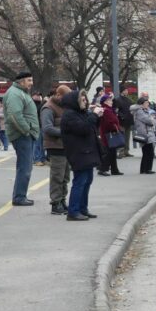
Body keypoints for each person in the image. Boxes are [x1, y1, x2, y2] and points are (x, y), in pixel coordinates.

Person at [60, 90, 103, 221]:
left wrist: (97, 116)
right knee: (80, 181)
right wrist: (94, 116)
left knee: (87, 181)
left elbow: (91, 127)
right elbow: (83, 129)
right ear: (75, 101)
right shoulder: (69, 115)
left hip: (86, 151)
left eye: (85, 99)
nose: (85, 102)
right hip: (78, 152)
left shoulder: (80, 113)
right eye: (82, 100)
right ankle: (73, 211)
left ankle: (83, 208)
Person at [3, 71, 40, 206]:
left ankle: (20, 195)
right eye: (29, 80)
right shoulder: (15, 94)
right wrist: (27, 131)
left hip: (25, 135)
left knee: (25, 167)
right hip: (22, 135)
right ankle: (19, 197)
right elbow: (14, 115)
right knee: (25, 167)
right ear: (21, 81)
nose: (31, 83)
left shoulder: (20, 92)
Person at [40, 85, 72, 215]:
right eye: (65, 98)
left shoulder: (64, 106)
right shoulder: (48, 108)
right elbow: (47, 128)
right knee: (57, 177)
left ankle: (62, 200)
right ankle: (55, 203)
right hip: (55, 146)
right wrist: (66, 132)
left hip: (65, 146)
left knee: (65, 177)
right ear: (58, 95)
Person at [97, 94, 123, 176]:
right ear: (105, 101)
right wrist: (115, 128)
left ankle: (114, 170)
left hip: (110, 133)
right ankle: (102, 169)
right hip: (108, 134)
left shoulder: (109, 109)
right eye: (110, 100)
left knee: (112, 152)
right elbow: (109, 123)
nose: (111, 101)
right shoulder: (106, 110)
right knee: (109, 152)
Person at [133, 97, 156, 174]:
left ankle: (144, 169)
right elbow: (149, 121)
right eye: (146, 103)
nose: (148, 104)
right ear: (142, 104)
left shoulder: (144, 110)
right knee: (149, 152)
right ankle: (147, 169)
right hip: (145, 134)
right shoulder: (140, 111)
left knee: (147, 152)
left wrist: (151, 119)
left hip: (146, 133)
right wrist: (152, 119)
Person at [114, 91, 134, 157]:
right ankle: (121, 152)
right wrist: (121, 116)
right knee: (121, 137)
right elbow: (116, 110)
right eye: (125, 90)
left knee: (127, 137)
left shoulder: (129, 100)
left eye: (127, 90)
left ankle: (126, 151)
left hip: (128, 120)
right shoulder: (118, 100)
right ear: (122, 91)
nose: (127, 92)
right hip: (121, 121)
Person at [31, 90, 48, 166]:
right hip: (35, 126)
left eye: (40, 95)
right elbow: (36, 111)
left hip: (41, 126)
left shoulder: (40, 104)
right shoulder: (31, 104)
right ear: (33, 96)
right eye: (37, 95)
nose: (39, 96)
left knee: (42, 144)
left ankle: (42, 158)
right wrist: (45, 102)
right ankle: (36, 159)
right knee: (37, 144)